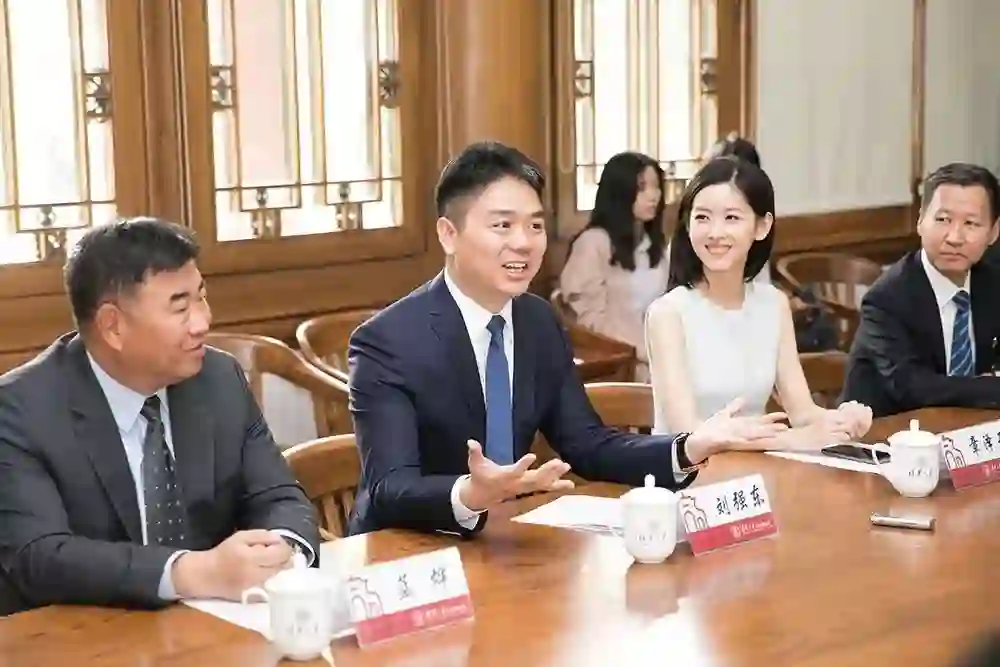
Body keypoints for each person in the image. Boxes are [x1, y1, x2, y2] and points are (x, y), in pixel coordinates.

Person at [347, 141, 791, 536]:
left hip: (504, 539)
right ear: (449, 234)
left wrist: (689, 446)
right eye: (502, 226)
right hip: (409, 552)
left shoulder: (537, 320)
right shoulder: (387, 341)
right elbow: (390, 487)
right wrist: (470, 493)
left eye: (535, 226)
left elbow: (588, 444)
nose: (524, 243)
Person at [0, 218, 319, 615]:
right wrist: (191, 572)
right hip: (84, 630)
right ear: (113, 326)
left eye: (201, 297)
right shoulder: (20, 409)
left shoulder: (219, 378)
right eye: (180, 307)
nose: (203, 322)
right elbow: (39, 556)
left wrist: (283, 553)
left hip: (214, 625)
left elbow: (278, 496)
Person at [645, 156, 872, 447]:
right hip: (689, 471)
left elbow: (803, 413)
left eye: (731, 218)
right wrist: (788, 440)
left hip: (758, 467)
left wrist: (843, 420)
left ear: (762, 226)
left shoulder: (773, 304)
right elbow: (688, 433)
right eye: (702, 217)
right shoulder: (668, 313)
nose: (715, 232)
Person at [842, 163, 1000, 417]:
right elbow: (911, 387)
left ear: (993, 232)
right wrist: (990, 388)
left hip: (968, 427)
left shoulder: (991, 282)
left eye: (971, 223)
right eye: (943, 220)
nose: (954, 237)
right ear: (920, 222)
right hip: (888, 432)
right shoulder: (886, 298)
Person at [558, 151, 669, 381]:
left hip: (661, 351)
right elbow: (590, 321)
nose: (653, 196)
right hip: (621, 362)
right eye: (642, 187)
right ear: (619, 192)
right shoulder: (592, 243)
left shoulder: (655, 244)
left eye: (656, 186)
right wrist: (641, 350)